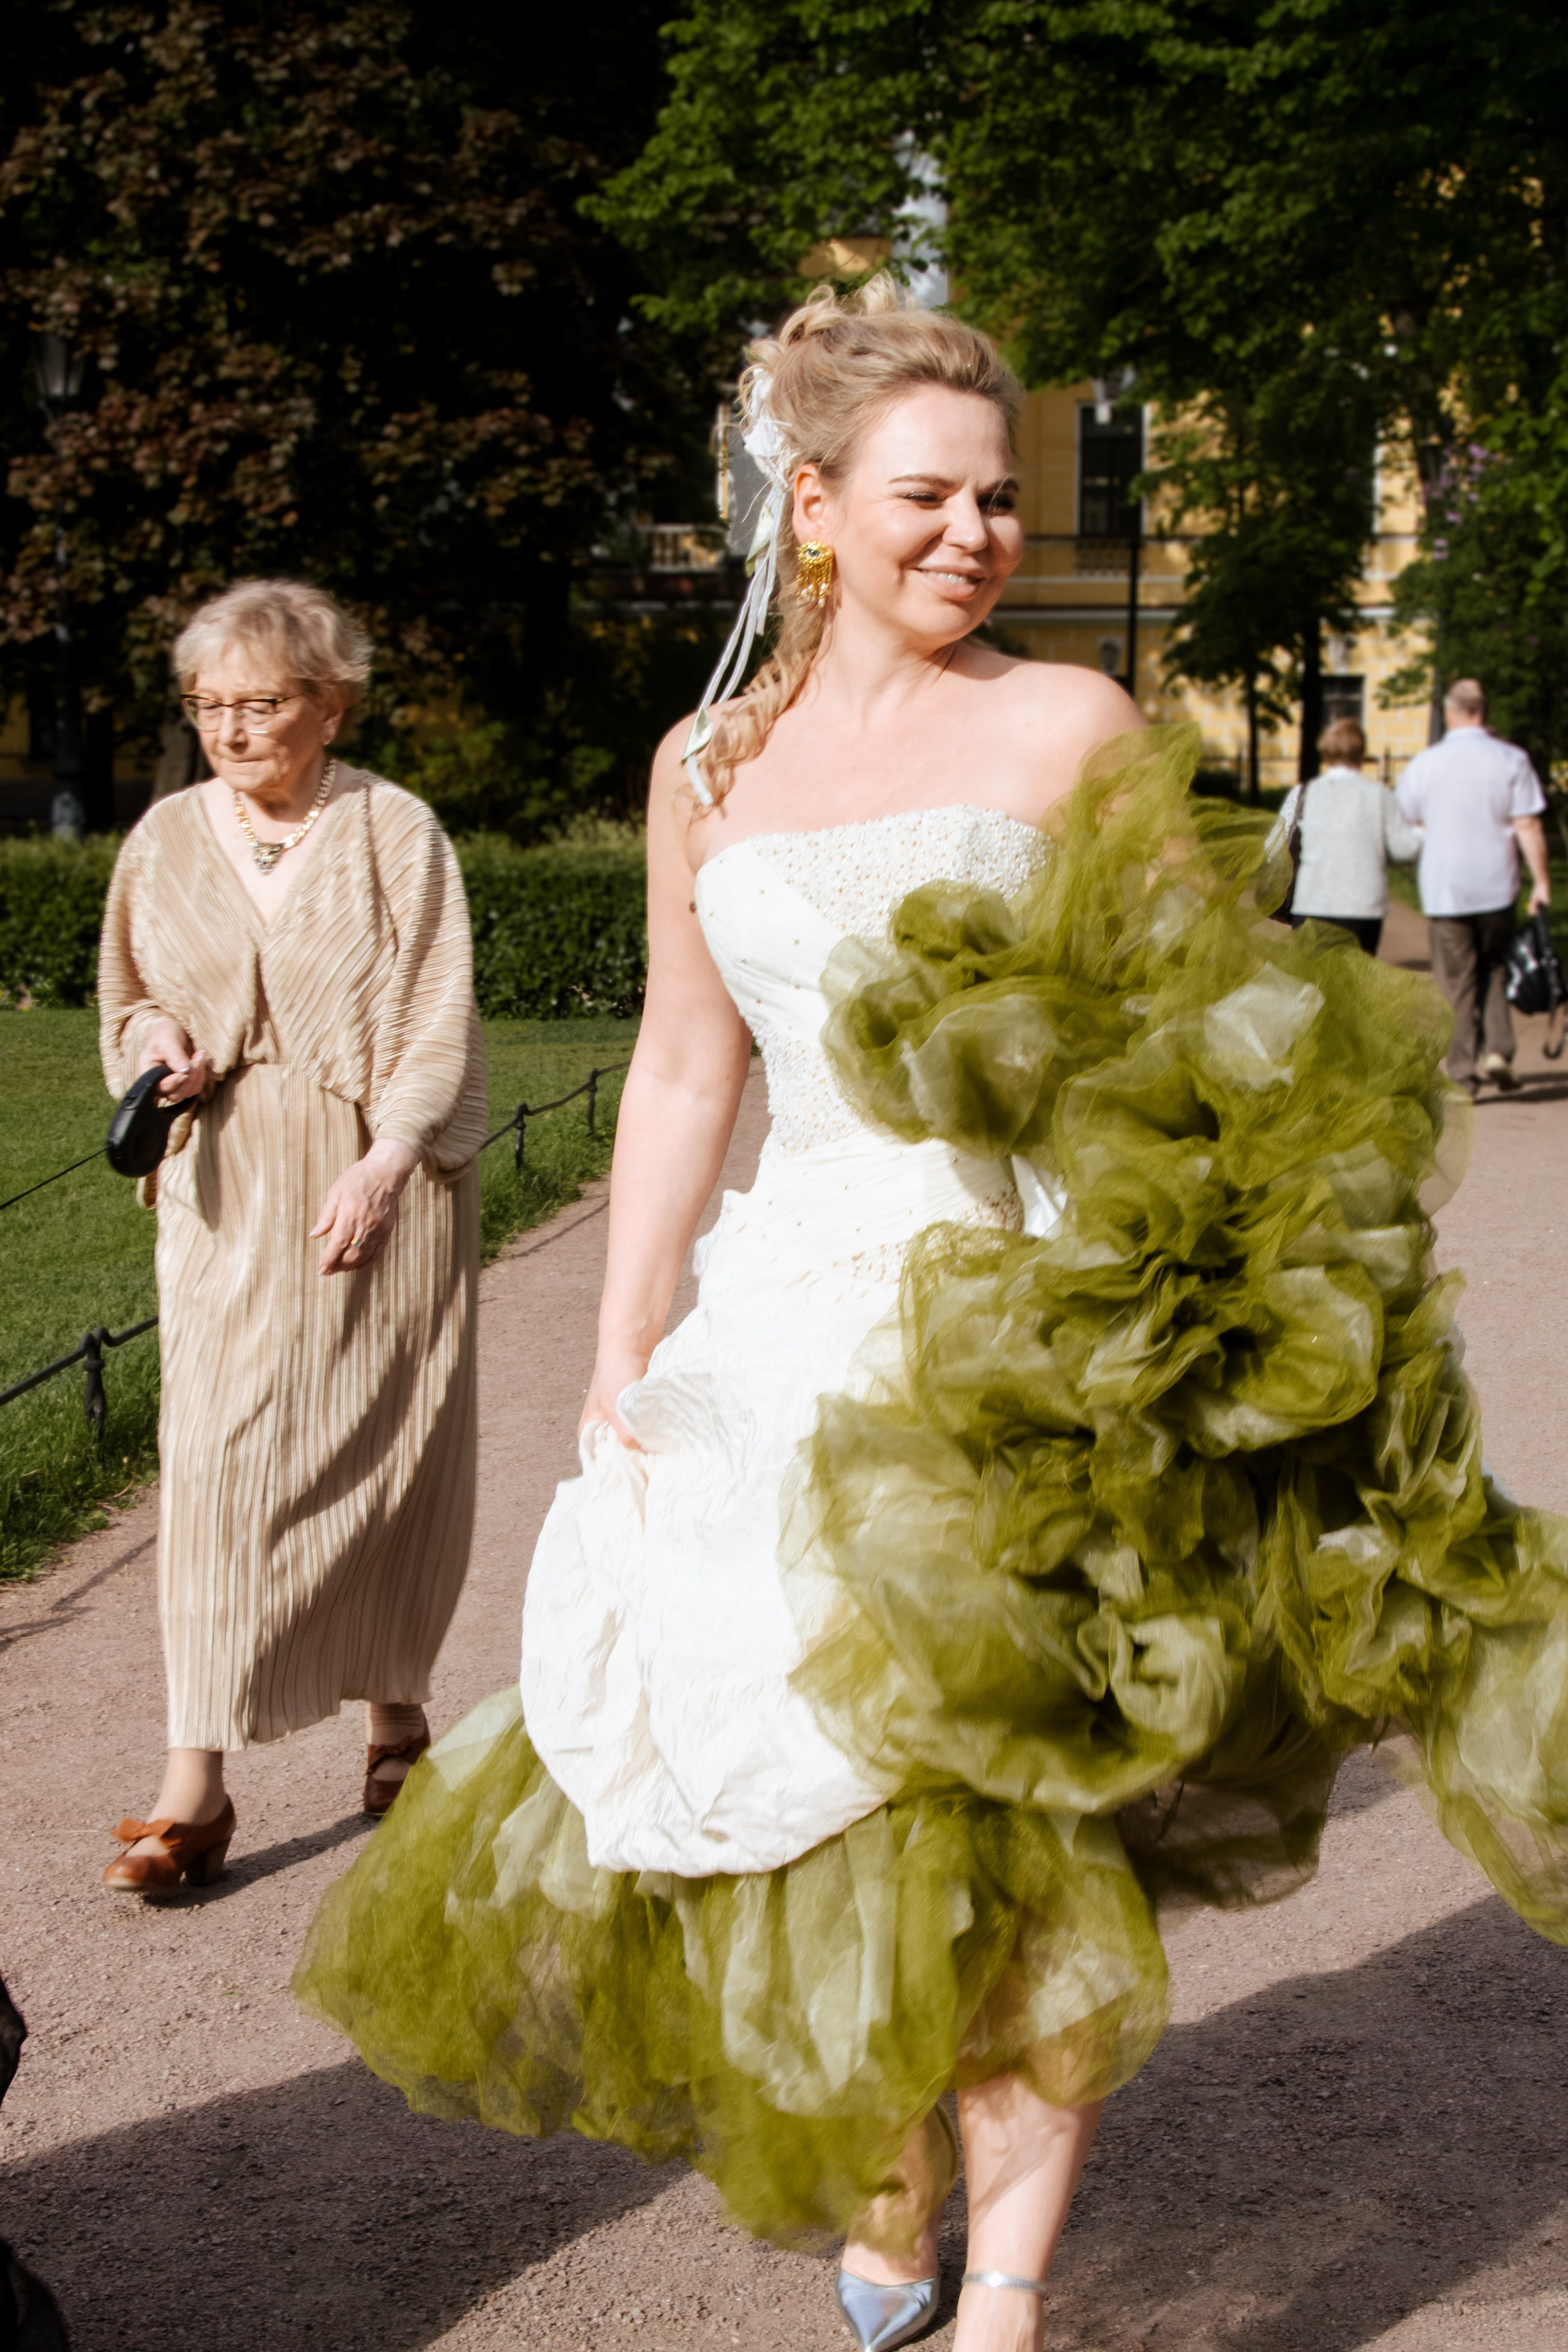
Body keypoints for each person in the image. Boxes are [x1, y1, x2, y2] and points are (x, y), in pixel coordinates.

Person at [296, 286, 1568, 2352]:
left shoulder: (1069, 728)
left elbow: (1218, 1033)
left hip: (1032, 1328)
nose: (975, 531)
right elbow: (687, 1069)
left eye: (1000, 499)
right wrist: (621, 1350)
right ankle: (893, 2172)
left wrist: (1221, 1304)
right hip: (782, 1328)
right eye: (927, 494)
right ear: (814, 506)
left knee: (1011, 1829)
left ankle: (1012, 2310)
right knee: (805, 1796)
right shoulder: (706, 764)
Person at [97, 579, 486, 1896]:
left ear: (330, 705)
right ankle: (192, 1788)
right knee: (212, 1471)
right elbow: (133, 991)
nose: (230, 729)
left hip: (380, 1183)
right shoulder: (159, 838)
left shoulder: (396, 830)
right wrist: (158, 1047)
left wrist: (388, 1160)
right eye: (207, 706)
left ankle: (393, 1715)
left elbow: (440, 1013)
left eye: (259, 705)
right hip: (225, 1190)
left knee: (385, 1457)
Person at [1395, 677, 1551, 1095]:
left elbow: (1405, 821)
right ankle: (1499, 1049)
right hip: (1497, 885)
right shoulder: (1511, 759)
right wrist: (1541, 883)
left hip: (1446, 888)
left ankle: (1463, 1074)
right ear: (1484, 711)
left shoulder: (1426, 763)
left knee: (1457, 981)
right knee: (1495, 966)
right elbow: (1528, 824)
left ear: (1450, 712)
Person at [1280, 714, 1420, 954]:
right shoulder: (1379, 795)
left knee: (1313, 982)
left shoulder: (1303, 794)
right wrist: (1422, 831)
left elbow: (1276, 845)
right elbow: (1404, 848)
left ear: (1326, 752)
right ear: (1360, 754)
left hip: (1314, 902)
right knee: (1354, 986)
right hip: (1363, 908)